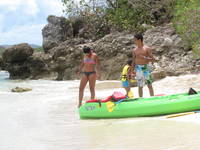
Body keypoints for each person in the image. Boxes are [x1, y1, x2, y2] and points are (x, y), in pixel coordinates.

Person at [132, 33, 157, 97]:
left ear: (139, 40)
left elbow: (154, 60)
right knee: (140, 86)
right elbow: (133, 61)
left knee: (149, 85)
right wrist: (132, 71)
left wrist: (145, 58)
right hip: (138, 69)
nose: (134, 41)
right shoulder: (134, 50)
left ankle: (152, 98)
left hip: (146, 68)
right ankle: (140, 99)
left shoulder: (147, 48)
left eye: (135, 40)